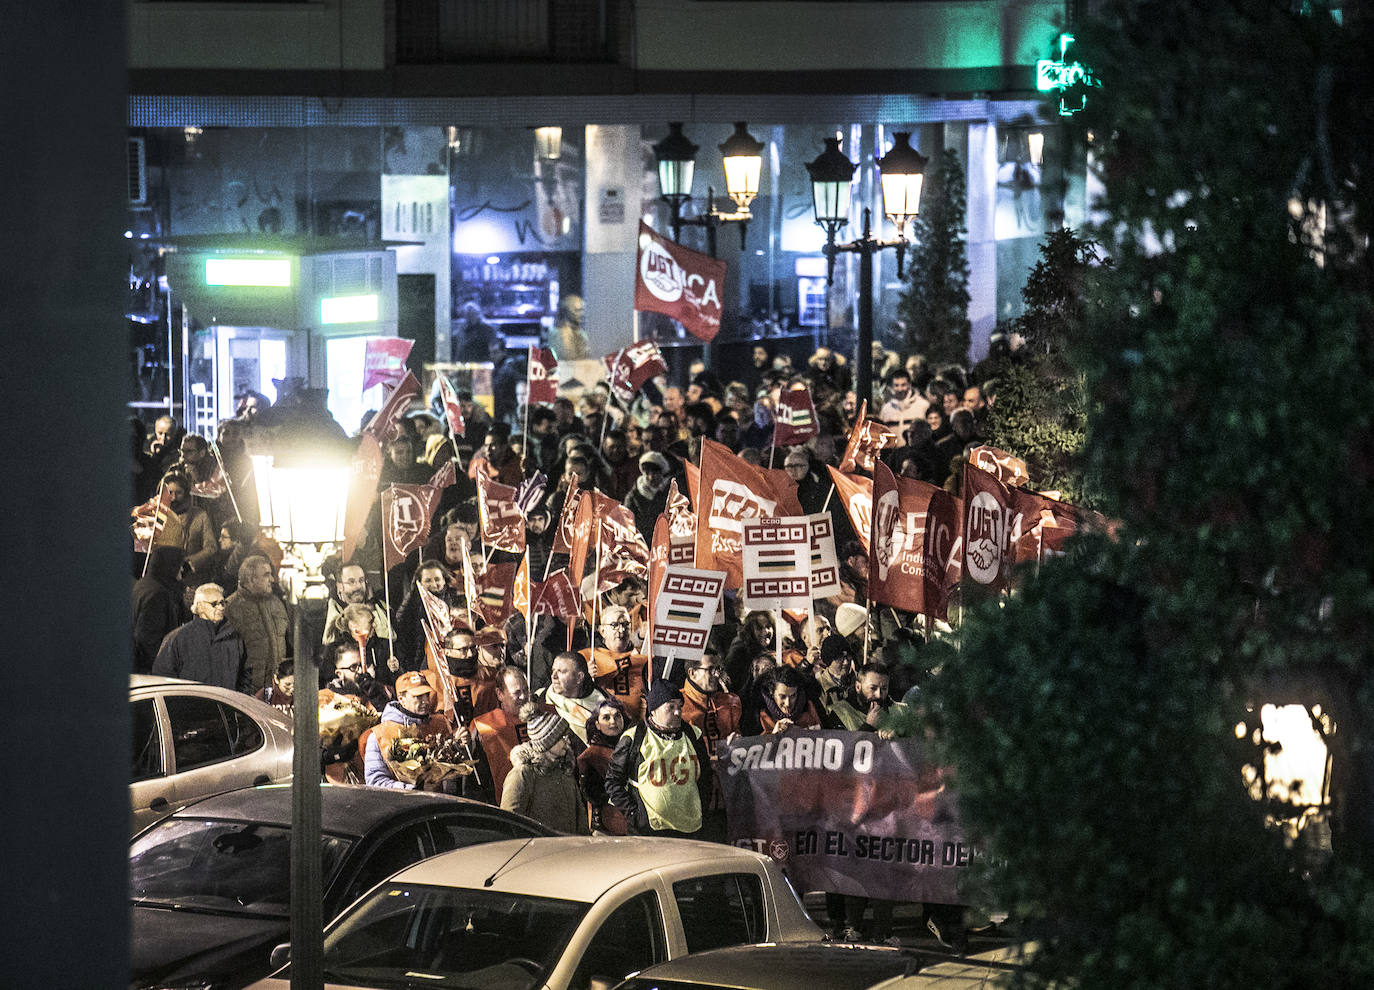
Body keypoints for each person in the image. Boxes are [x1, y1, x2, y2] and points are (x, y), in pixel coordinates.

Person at [605, 680, 713, 838]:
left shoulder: (693, 734)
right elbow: (613, 781)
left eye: (679, 706)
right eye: (671, 707)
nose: (677, 712)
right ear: (653, 711)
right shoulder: (634, 737)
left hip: (690, 828)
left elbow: (705, 778)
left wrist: (701, 807)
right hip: (649, 830)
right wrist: (635, 814)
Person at [364, 670, 472, 790]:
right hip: (402, 805)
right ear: (401, 699)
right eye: (418, 697)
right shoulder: (379, 735)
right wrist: (414, 789)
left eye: (427, 695)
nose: (425, 701)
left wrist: (459, 745)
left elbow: (456, 770)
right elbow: (375, 782)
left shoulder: (440, 722)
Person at [679, 649, 743, 842]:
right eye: (711, 669)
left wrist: (739, 742)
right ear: (692, 673)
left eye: (718, 669)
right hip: (694, 798)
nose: (717, 674)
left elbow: (739, 736)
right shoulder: (677, 705)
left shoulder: (729, 701)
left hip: (727, 796)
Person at [501, 703, 587, 833]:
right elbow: (509, 823)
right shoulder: (523, 774)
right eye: (562, 738)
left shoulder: (565, 770)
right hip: (539, 851)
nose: (567, 742)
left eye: (567, 736)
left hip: (570, 849)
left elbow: (580, 818)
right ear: (547, 742)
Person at [152, 583, 250, 692]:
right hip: (193, 706)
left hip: (226, 706)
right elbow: (163, 676)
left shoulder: (235, 637)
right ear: (200, 606)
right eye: (214, 604)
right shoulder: (179, 638)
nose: (221, 607)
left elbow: (245, 675)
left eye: (222, 603)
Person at [471, 667, 548, 803]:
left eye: (525, 690)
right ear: (500, 694)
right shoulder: (484, 727)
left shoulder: (542, 717)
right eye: (517, 693)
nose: (524, 697)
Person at [222, 554, 288, 696]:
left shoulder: (277, 603)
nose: (272, 579)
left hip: (278, 690)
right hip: (247, 693)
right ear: (252, 579)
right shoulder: (231, 608)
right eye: (266, 575)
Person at [580, 605, 649, 721]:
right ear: (602, 631)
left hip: (636, 726)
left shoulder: (644, 660)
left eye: (625, 624)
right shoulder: (587, 657)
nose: (621, 630)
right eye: (614, 625)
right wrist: (584, 679)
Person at [151, 472, 219, 578]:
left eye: (178, 493)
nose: (173, 498)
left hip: (192, 578)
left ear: (186, 494)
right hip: (162, 577)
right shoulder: (155, 516)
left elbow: (211, 547)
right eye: (170, 492)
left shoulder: (200, 516)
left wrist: (190, 563)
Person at [429, 625, 501, 725]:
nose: (470, 654)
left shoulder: (490, 675)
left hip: (488, 732)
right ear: (448, 652)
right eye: (463, 649)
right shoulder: (437, 681)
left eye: (472, 648)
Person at [131, 545, 187, 674]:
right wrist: (164, 667)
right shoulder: (158, 595)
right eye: (179, 564)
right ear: (170, 566)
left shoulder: (145, 583)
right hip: (150, 669)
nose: (182, 569)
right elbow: (149, 640)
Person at [577, 698, 629, 834]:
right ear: (597, 724)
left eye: (617, 716)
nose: (613, 721)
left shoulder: (634, 744)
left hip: (632, 823)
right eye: (606, 718)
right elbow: (593, 795)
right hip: (606, 826)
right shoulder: (590, 756)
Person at [540, 652, 606, 744]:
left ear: (579, 677)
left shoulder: (603, 702)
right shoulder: (541, 704)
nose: (553, 676)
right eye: (553, 671)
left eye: (561, 671)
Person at [322, 563, 393, 646]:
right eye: (351, 582)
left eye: (361, 580)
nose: (358, 586)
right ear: (340, 586)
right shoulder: (329, 610)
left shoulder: (381, 607)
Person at [752, 665, 823, 734]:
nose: (788, 703)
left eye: (793, 696)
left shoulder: (811, 708)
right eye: (782, 697)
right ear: (771, 692)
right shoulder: (758, 716)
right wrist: (773, 736)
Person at [325, 639, 391, 712]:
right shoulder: (328, 699)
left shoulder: (381, 690)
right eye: (353, 667)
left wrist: (377, 697)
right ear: (340, 674)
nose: (360, 671)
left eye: (362, 665)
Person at [624, 452, 671, 545]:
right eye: (647, 473)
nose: (651, 477)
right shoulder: (633, 497)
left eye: (655, 473)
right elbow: (627, 525)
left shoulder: (670, 492)